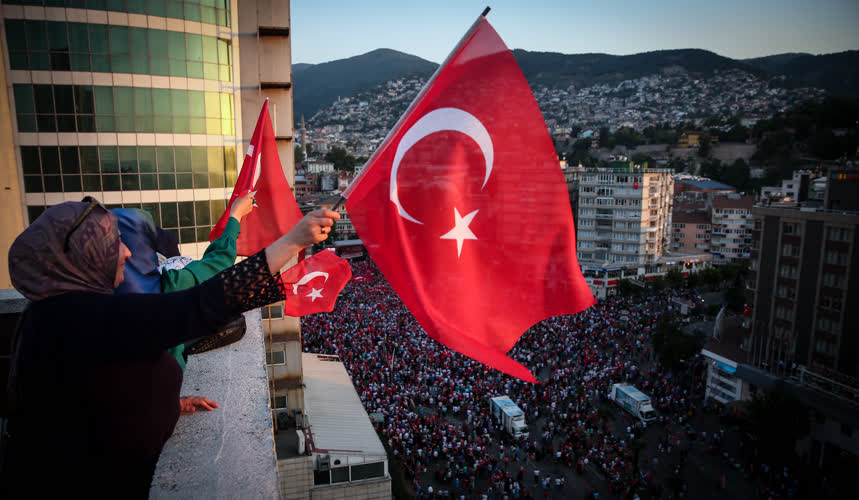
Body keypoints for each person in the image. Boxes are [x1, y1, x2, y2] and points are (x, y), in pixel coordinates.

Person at [3, 197, 338, 498]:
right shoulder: (87, 318)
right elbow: (204, 305)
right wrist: (293, 241)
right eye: (114, 243)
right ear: (83, 255)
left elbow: (92, 395)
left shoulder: (52, 313)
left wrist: (167, 404)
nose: (127, 253)